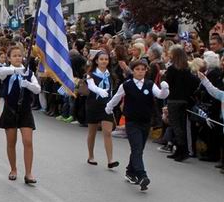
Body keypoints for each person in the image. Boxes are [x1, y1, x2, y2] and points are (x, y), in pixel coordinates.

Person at [105, 59, 170, 191]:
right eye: (137, 69)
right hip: (132, 122)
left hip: (145, 122)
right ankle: (142, 176)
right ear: (133, 71)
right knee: (136, 148)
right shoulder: (127, 85)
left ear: (146, 71)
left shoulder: (150, 84)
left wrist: (165, 88)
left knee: (138, 149)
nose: (140, 72)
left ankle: (130, 172)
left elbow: (161, 95)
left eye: (143, 69)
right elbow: (117, 97)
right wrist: (109, 107)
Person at [0, 46, 41, 184]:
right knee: (11, 142)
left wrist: (26, 83)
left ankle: (28, 173)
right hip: (10, 109)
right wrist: (17, 71)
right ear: (9, 58)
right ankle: (13, 169)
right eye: (14, 56)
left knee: (28, 142)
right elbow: (0, 72)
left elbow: (38, 89)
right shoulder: (5, 70)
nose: (17, 58)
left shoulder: (29, 73)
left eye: (19, 55)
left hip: (25, 110)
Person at [163, 45, 200, 162]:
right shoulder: (186, 69)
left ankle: (182, 150)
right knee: (181, 125)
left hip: (174, 99)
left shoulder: (172, 69)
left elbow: (168, 83)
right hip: (183, 100)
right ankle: (179, 149)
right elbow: (194, 83)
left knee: (176, 125)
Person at [84, 51, 119, 168]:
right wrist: (100, 91)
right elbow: (91, 86)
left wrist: (112, 104)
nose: (104, 61)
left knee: (107, 132)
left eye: (106, 59)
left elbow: (113, 91)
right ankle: (91, 156)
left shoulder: (111, 75)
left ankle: (110, 160)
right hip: (93, 105)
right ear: (96, 61)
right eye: (102, 59)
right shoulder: (91, 74)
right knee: (92, 132)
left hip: (106, 106)